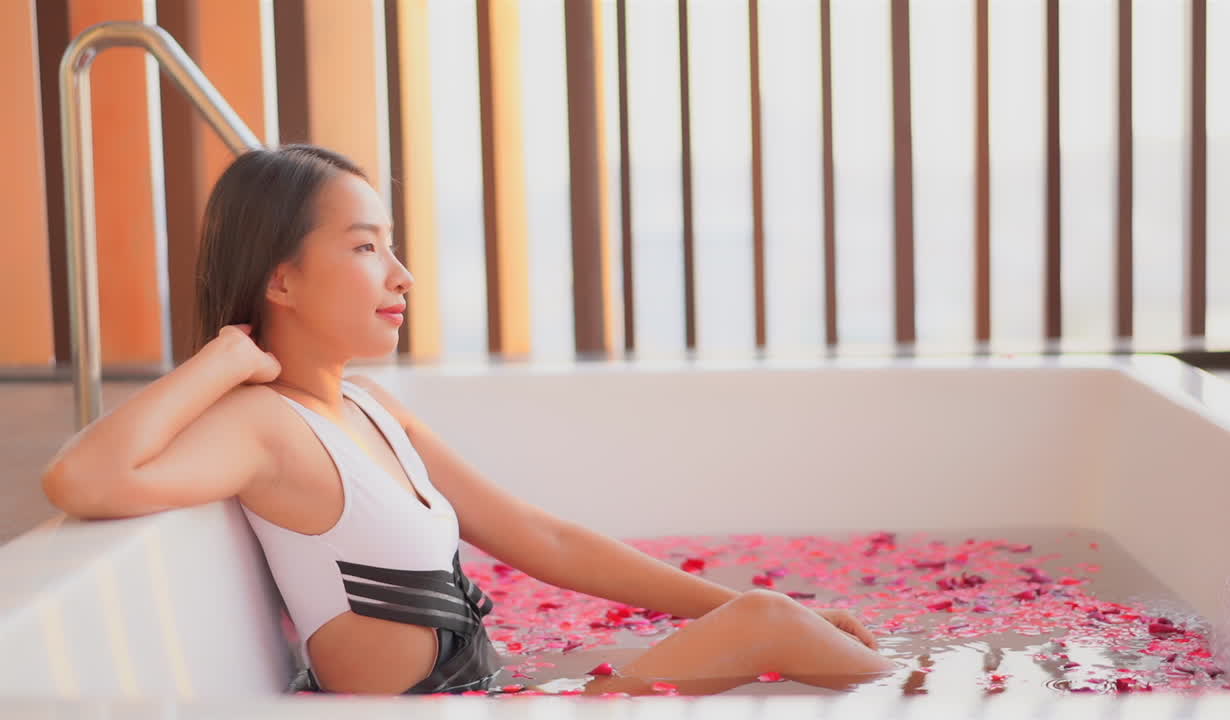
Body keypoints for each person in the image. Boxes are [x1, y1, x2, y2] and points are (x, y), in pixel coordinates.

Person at [41, 144, 897, 696]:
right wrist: (223, 358)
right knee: (775, 629)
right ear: (281, 279)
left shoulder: (372, 410)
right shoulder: (266, 424)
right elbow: (81, 479)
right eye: (366, 246)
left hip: (482, 699)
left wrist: (730, 604)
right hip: (441, 710)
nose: (402, 275)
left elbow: (544, 540)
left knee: (769, 620)